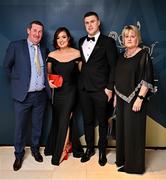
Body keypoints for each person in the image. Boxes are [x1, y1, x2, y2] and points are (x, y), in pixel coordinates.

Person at [3, 20, 51, 171]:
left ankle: (36, 150)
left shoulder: (44, 49)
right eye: (35, 30)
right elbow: (7, 66)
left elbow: (46, 71)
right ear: (28, 31)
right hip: (22, 96)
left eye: (40, 32)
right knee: (20, 128)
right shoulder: (16, 46)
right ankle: (18, 154)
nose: (37, 34)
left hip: (40, 96)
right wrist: (18, 81)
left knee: (38, 126)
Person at [78, 11, 118, 166]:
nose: (89, 25)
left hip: (101, 90)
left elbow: (113, 67)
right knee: (87, 121)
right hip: (84, 89)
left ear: (98, 22)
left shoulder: (108, 42)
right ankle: (89, 149)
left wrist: (109, 89)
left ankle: (102, 151)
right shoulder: (81, 40)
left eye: (92, 21)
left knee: (102, 122)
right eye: (86, 22)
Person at [114, 25, 155, 174]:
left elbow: (147, 78)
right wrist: (116, 97)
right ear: (123, 39)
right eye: (126, 36)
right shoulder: (121, 55)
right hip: (121, 100)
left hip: (135, 99)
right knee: (123, 131)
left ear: (137, 38)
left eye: (132, 36)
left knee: (134, 132)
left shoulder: (143, 54)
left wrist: (140, 98)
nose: (129, 39)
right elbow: (118, 77)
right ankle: (123, 161)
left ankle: (134, 166)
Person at [44, 27, 84, 166]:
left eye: (64, 37)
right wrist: (49, 81)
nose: (61, 40)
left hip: (72, 92)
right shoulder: (52, 55)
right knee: (59, 120)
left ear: (68, 38)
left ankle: (59, 153)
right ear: (56, 40)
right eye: (58, 38)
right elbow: (48, 75)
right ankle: (68, 145)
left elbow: (83, 74)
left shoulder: (78, 54)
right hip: (58, 94)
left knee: (65, 120)